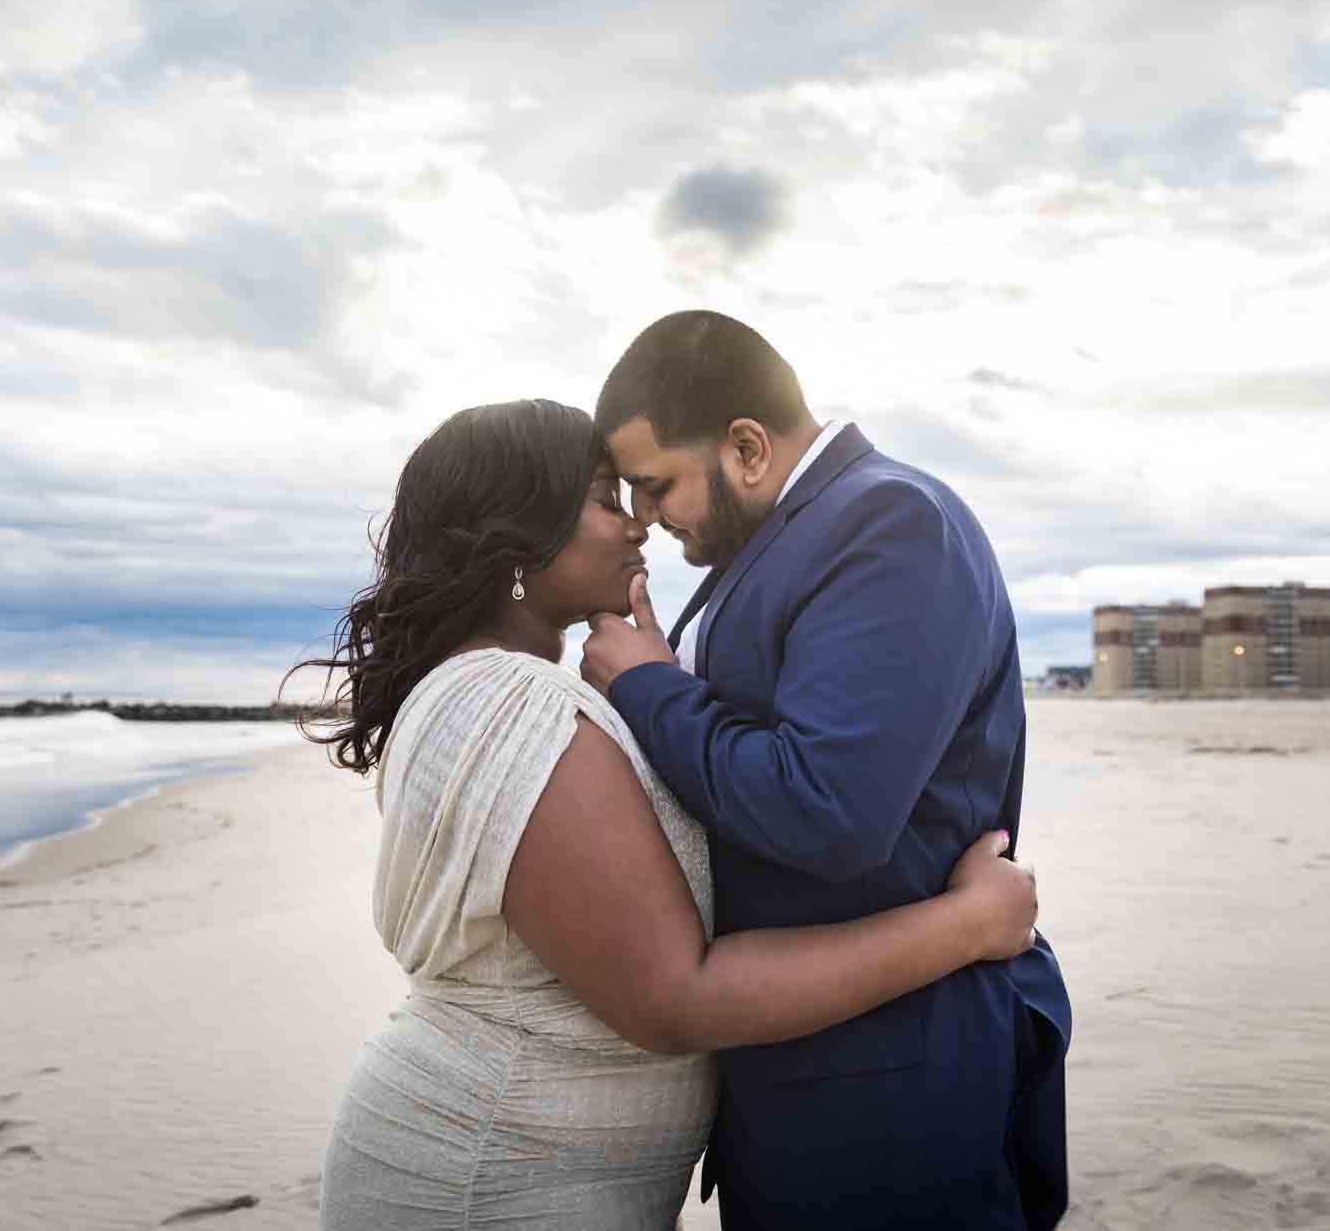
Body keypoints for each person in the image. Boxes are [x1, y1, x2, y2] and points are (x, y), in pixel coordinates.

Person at [307, 398, 1041, 1229]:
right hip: (491, 1177)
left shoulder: (513, 694)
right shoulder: (509, 704)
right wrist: (971, 923)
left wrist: (653, 687)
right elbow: (674, 997)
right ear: (517, 544)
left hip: (548, 1169)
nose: (637, 527)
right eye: (603, 499)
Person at [580, 311, 1072, 1230]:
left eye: (656, 485)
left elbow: (827, 808)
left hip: (891, 1095)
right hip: (808, 1074)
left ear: (747, 447)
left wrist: (649, 686)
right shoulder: (775, 540)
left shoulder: (889, 523)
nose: (646, 517)